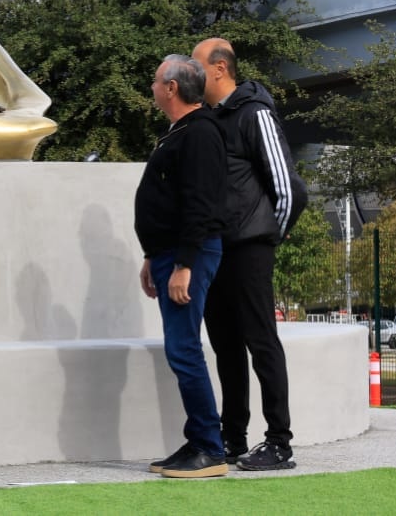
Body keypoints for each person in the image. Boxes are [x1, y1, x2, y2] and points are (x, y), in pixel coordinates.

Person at [192, 37, 307, 471]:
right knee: (225, 346)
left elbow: (289, 189)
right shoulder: (208, 120)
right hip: (216, 249)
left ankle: (279, 442)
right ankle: (233, 437)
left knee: (261, 342)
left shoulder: (254, 113)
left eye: (197, 64)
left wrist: (267, 236)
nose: (192, 71)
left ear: (219, 69)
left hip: (250, 246)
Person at [134, 54, 228, 479]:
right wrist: (153, 255)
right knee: (181, 348)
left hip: (189, 254)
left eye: (155, 81)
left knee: (184, 349)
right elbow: (169, 202)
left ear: (171, 88)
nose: (152, 87)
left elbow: (200, 203)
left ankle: (210, 447)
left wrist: (184, 264)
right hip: (169, 253)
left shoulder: (201, 133)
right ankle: (198, 440)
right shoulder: (180, 132)